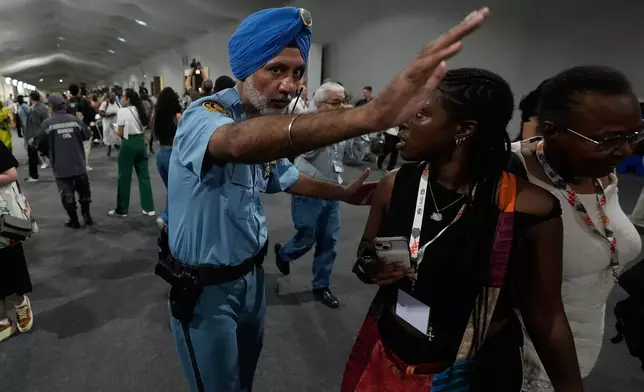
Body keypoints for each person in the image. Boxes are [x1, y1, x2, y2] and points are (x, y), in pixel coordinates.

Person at [162, 5, 494, 391]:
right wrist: (367, 117)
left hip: (251, 279)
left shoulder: (261, 121)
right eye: (276, 69)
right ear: (246, 67)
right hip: (206, 291)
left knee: (244, 381)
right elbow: (233, 145)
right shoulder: (206, 115)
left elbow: (285, 177)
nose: (288, 85)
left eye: (297, 72)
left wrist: (343, 194)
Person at [342, 68, 584, 392]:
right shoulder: (395, 184)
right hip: (389, 350)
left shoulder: (527, 208)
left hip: (473, 367)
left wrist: (569, 386)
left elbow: (546, 313)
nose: (403, 121)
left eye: (421, 114)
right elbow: (368, 250)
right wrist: (372, 265)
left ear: (464, 129)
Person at [511, 66, 643, 391]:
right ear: (552, 131)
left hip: (582, 342)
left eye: (635, 134)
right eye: (609, 139)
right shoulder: (508, 176)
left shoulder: (600, 171)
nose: (627, 150)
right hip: (520, 358)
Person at [275, 82, 348, 309]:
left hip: (333, 190)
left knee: (329, 241)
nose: (342, 106)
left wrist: (362, 132)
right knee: (307, 237)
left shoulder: (341, 124)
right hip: (308, 190)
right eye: (336, 102)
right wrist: (329, 126)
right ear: (321, 104)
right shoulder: (306, 124)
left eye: (343, 101)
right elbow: (308, 150)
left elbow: (352, 155)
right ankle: (284, 253)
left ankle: (321, 285)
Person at [34, 94, 93, 228]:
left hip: (61, 166)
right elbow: (87, 135)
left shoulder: (47, 123)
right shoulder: (74, 120)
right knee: (84, 193)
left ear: (51, 107)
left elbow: (39, 143)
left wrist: (50, 150)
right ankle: (87, 216)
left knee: (67, 197)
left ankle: (74, 221)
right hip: (78, 163)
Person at [0, 142, 34, 343]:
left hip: (2, 221)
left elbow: (11, 174)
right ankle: (3, 321)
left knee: (6, 266)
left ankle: (20, 303)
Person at [108, 88, 155, 218]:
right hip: (141, 142)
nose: (121, 98)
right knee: (144, 176)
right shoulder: (140, 110)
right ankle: (149, 208)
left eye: (123, 96)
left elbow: (122, 133)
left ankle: (122, 209)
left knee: (124, 177)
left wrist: (114, 127)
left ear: (128, 99)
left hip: (128, 143)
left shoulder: (122, 111)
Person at [152, 87, 182, 228]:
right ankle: (168, 217)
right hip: (173, 154)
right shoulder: (177, 116)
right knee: (176, 189)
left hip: (160, 154)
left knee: (171, 188)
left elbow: (154, 135)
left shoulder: (156, 115)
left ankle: (169, 215)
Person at [67, 84, 95, 171]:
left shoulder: (66, 103)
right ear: (78, 91)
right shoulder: (83, 101)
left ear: (70, 92)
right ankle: (85, 164)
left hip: (71, 126)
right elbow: (90, 112)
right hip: (83, 125)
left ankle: (75, 163)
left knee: (74, 146)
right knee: (86, 145)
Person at [24, 91, 49, 182]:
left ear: (31, 98)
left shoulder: (34, 110)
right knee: (49, 154)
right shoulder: (44, 107)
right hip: (45, 134)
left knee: (32, 157)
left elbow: (36, 125)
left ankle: (33, 176)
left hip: (34, 136)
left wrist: (33, 137)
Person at [99, 92, 121, 157]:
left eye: (114, 96)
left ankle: (119, 149)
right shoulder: (105, 104)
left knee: (117, 137)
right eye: (112, 96)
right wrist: (109, 115)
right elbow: (100, 113)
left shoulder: (117, 103)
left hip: (116, 122)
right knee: (108, 136)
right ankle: (109, 149)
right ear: (108, 98)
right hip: (107, 122)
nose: (113, 98)